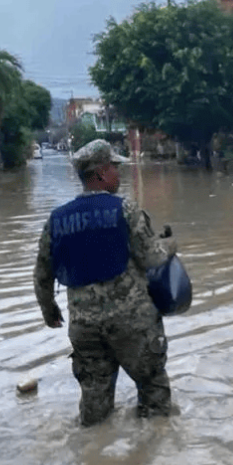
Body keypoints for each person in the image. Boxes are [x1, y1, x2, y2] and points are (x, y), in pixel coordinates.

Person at [32, 139, 178, 427]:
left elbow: (42, 274)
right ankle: (153, 455)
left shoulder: (57, 219)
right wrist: (170, 246)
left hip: (85, 328)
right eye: (114, 167)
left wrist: (49, 311)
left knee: (94, 405)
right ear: (99, 173)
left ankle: (94, 461)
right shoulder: (125, 209)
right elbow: (153, 259)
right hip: (132, 324)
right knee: (153, 393)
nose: (119, 173)